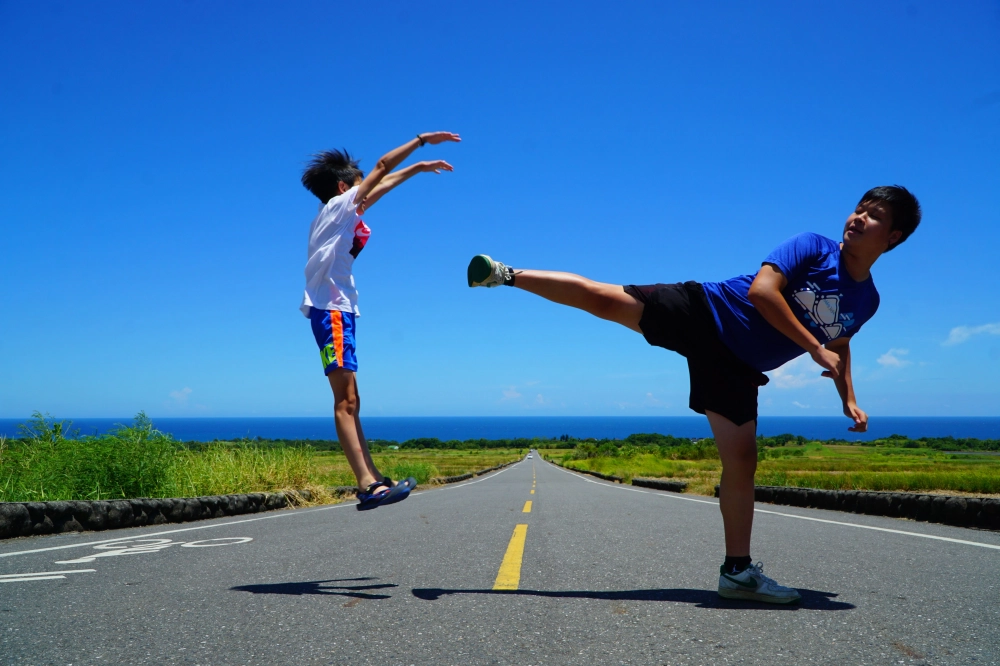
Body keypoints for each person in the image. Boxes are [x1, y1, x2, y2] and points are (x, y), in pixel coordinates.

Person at [467, 185, 921, 602]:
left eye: (874, 214)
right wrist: (814, 347)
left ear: (894, 236)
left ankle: (737, 572)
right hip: (707, 311)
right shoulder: (812, 246)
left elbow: (840, 343)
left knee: (743, 461)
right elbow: (764, 292)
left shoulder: (869, 301)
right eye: (859, 207)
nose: (858, 217)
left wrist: (848, 398)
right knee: (606, 300)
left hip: (737, 367)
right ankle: (506, 274)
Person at [301, 131, 460, 509]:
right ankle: (366, 484)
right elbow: (383, 168)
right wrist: (420, 142)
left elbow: (381, 182)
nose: (366, 193)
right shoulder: (339, 208)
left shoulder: (337, 213)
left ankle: (373, 479)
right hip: (332, 312)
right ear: (343, 187)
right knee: (345, 402)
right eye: (359, 187)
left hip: (338, 312)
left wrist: (418, 169)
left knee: (353, 399)